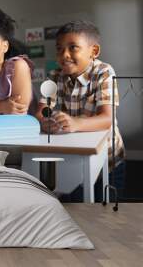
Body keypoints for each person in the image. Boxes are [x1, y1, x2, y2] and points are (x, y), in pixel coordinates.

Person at [35, 20, 125, 200]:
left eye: (73, 47)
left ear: (94, 51)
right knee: (78, 205)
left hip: (109, 158)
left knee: (109, 209)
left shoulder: (104, 72)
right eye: (59, 49)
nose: (64, 55)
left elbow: (107, 119)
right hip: (76, 156)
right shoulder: (54, 75)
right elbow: (41, 111)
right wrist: (46, 122)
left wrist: (76, 123)